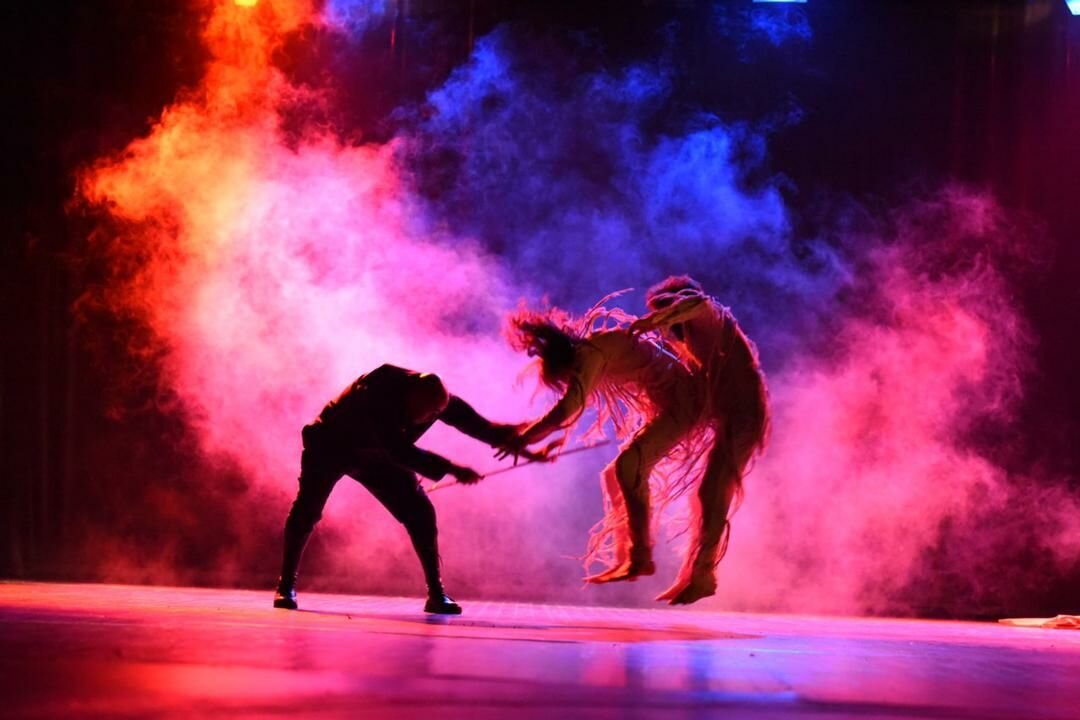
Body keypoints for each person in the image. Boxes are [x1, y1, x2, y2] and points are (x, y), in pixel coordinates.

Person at [503, 299, 709, 602]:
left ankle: (641, 556)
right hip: (673, 403)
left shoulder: (590, 354)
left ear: (564, 363)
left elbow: (567, 409)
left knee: (629, 467)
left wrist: (524, 439)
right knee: (614, 475)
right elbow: (570, 407)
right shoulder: (593, 351)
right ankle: (628, 556)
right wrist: (528, 433)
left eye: (564, 378)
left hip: (685, 402)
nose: (569, 383)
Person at [273, 364, 519, 614]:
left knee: (420, 512)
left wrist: (513, 439)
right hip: (331, 445)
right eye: (423, 413)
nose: (427, 419)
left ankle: (436, 594)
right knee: (307, 510)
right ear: (409, 395)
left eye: (433, 414)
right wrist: (453, 469)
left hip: (376, 454)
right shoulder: (377, 389)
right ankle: (285, 585)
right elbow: (399, 450)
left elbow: (474, 424)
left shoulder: (435, 399)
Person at [631, 275, 770, 604]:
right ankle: (694, 573)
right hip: (732, 415)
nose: (665, 327)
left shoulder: (708, 316)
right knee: (707, 493)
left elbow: (695, 303)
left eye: (665, 314)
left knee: (713, 489)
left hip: (745, 415)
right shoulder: (693, 340)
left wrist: (653, 319)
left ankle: (704, 574)